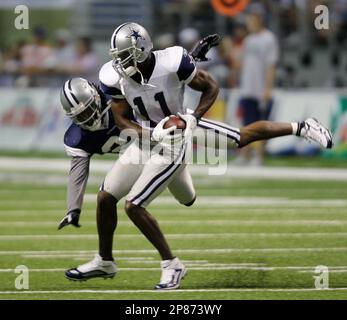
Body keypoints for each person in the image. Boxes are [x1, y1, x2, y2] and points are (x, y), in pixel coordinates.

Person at [64, 23, 333, 290]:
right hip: (148, 139)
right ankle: (105, 260)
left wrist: (192, 118)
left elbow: (211, 88)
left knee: (136, 204)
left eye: (125, 56)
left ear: (142, 50)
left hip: (178, 134)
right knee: (107, 197)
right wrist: (151, 135)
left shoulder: (172, 61)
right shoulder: (114, 76)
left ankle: (303, 127)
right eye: (117, 57)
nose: (120, 63)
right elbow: (122, 119)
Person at [237, 11, 279, 166]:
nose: (249, 25)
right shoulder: (248, 40)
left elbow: (271, 64)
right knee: (246, 123)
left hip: (260, 89)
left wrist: (268, 88)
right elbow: (243, 64)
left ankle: (259, 156)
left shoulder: (269, 38)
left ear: (259, 20)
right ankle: (244, 155)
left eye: (251, 21)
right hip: (247, 88)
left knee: (261, 123)